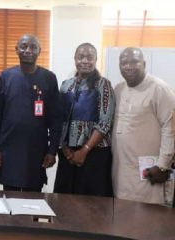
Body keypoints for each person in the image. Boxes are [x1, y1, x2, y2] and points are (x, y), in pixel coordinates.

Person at [0, 34, 62, 192]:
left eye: (33, 47)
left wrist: (52, 150)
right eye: (23, 46)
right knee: (10, 200)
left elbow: (55, 118)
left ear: (39, 51)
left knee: (33, 203)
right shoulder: (6, 77)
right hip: (9, 150)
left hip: (36, 152)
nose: (28, 50)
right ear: (16, 50)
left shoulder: (49, 78)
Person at [112, 47, 175, 204]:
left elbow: (171, 128)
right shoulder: (119, 89)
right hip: (121, 170)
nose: (128, 66)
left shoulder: (159, 89)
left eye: (134, 62)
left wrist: (162, 166)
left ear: (144, 64)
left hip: (149, 172)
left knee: (148, 220)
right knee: (121, 216)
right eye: (123, 63)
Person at [53, 43, 115, 197]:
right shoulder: (66, 85)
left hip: (95, 153)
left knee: (91, 204)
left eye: (90, 57)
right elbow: (60, 119)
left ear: (95, 60)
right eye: (81, 57)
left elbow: (105, 122)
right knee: (64, 200)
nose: (85, 61)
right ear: (75, 59)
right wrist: (64, 147)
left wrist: (84, 150)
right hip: (68, 154)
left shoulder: (103, 84)